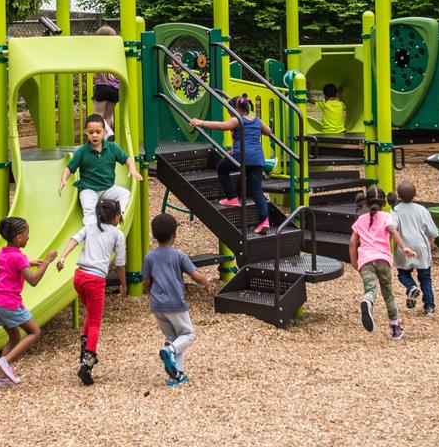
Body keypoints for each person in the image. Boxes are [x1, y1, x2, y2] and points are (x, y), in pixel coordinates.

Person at [53, 197, 126, 385]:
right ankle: (87, 363)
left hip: (79, 277)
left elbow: (74, 239)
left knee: (90, 315)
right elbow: (119, 264)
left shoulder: (91, 227)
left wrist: (63, 258)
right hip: (95, 280)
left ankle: (84, 351)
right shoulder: (117, 235)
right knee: (95, 322)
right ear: (117, 216)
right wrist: (123, 284)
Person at [189, 96, 283, 235]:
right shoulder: (256, 120)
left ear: (235, 109)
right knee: (257, 191)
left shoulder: (237, 119)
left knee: (221, 168)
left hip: (242, 157)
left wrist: (201, 122)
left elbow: (221, 126)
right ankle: (264, 221)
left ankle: (232, 197)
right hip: (257, 159)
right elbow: (268, 132)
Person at [142, 213, 212, 386]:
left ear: (154, 235)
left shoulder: (149, 257)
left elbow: (146, 282)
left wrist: (149, 286)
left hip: (157, 306)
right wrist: (205, 282)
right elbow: (195, 276)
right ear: (175, 235)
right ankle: (169, 350)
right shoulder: (178, 255)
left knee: (173, 337)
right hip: (175, 304)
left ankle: (176, 375)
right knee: (187, 334)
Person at [0, 215, 56, 386]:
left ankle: (1, 376)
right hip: (9, 304)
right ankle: (6, 361)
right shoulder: (19, 258)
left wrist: (29, 262)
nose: (28, 236)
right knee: (35, 332)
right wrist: (46, 262)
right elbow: (33, 281)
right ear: (18, 237)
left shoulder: (1, 252)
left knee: (14, 337)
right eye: (27, 233)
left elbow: (10, 264)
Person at [57, 112, 139, 222]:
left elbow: (126, 159)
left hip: (108, 188)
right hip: (88, 189)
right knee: (89, 208)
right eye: (91, 132)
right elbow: (69, 168)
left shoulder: (112, 148)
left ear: (104, 131)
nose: (94, 135)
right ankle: (92, 228)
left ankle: (119, 215)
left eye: (98, 132)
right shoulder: (82, 151)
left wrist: (132, 168)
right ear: (86, 132)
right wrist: (64, 179)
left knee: (125, 194)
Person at [349, 187, 405, 340]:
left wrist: (355, 263)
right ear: (384, 203)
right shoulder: (387, 217)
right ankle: (395, 329)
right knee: (388, 294)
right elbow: (393, 232)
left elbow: (352, 243)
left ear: (366, 203)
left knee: (370, 290)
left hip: (366, 261)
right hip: (383, 260)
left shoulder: (360, 220)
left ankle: (368, 301)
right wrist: (404, 247)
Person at [390, 180, 438, 316]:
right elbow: (432, 231)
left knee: (403, 273)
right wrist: (431, 241)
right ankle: (429, 307)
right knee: (425, 277)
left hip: (403, 247)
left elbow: (392, 228)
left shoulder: (395, 210)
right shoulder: (421, 210)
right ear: (415, 194)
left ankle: (411, 287)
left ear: (398, 196)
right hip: (421, 246)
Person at [92, 25, 123, 131]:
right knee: (108, 116)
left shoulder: (97, 51)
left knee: (98, 115)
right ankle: (108, 134)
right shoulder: (117, 52)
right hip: (115, 89)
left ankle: (105, 136)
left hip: (102, 87)